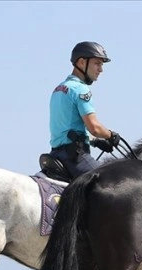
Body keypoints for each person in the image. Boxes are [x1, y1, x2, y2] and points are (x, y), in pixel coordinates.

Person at [49, 41, 121, 179]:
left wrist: (95, 141)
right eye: (97, 63)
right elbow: (94, 127)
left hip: (56, 154)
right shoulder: (80, 89)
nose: (101, 69)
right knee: (112, 181)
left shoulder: (59, 89)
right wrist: (111, 135)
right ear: (82, 62)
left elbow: (66, 127)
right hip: (75, 158)